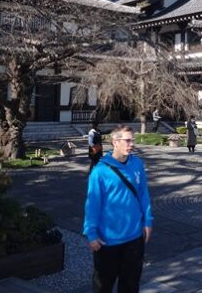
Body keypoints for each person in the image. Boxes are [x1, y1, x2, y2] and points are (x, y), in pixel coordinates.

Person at [83, 125, 153, 293]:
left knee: (130, 286)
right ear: (115, 142)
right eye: (127, 140)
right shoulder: (100, 171)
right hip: (108, 241)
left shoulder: (137, 164)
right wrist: (91, 233)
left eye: (132, 140)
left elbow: (143, 193)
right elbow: (92, 203)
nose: (131, 144)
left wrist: (148, 220)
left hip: (134, 238)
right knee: (103, 286)